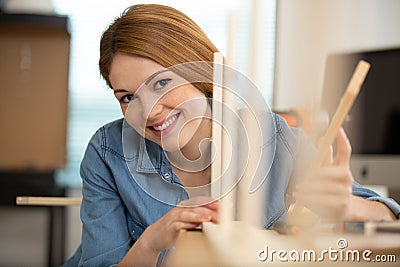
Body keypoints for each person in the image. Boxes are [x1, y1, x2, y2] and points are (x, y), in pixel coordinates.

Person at [63, 4, 400, 267]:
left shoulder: (274, 138)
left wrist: (350, 207)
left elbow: (386, 217)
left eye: (162, 83)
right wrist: (151, 242)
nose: (147, 110)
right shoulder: (108, 153)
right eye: (127, 97)